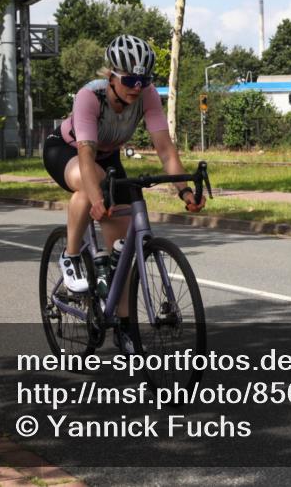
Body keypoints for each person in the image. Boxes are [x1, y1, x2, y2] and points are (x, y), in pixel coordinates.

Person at [43, 34, 205, 350]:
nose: (136, 87)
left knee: (125, 243)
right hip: (67, 150)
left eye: (144, 81)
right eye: (129, 80)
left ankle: (123, 325)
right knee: (93, 186)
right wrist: (97, 198)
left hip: (107, 157)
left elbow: (165, 149)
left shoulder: (147, 95)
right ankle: (71, 255)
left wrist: (184, 191)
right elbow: (86, 154)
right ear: (111, 76)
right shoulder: (89, 97)